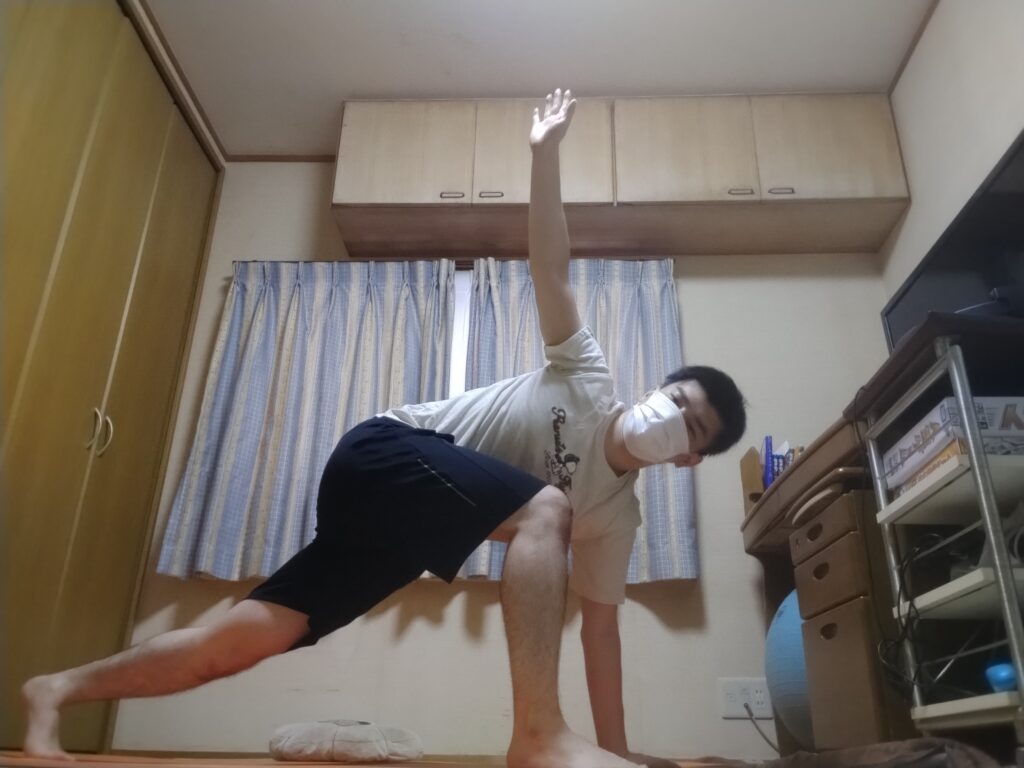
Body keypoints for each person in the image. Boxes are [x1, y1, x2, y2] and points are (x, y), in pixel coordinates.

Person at [22, 88, 746, 767]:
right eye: (677, 399)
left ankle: (56, 689)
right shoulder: (587, 375)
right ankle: (538, 737)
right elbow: (550, 269)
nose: (674, 419)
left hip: (403, 529)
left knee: (241, 642)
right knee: (547, 509)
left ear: (689, 460)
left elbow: (601, 633)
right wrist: (544, 153)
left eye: (692, 428)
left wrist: (618, 755)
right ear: (655, 388)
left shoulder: (615, 519)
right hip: (385, 452)